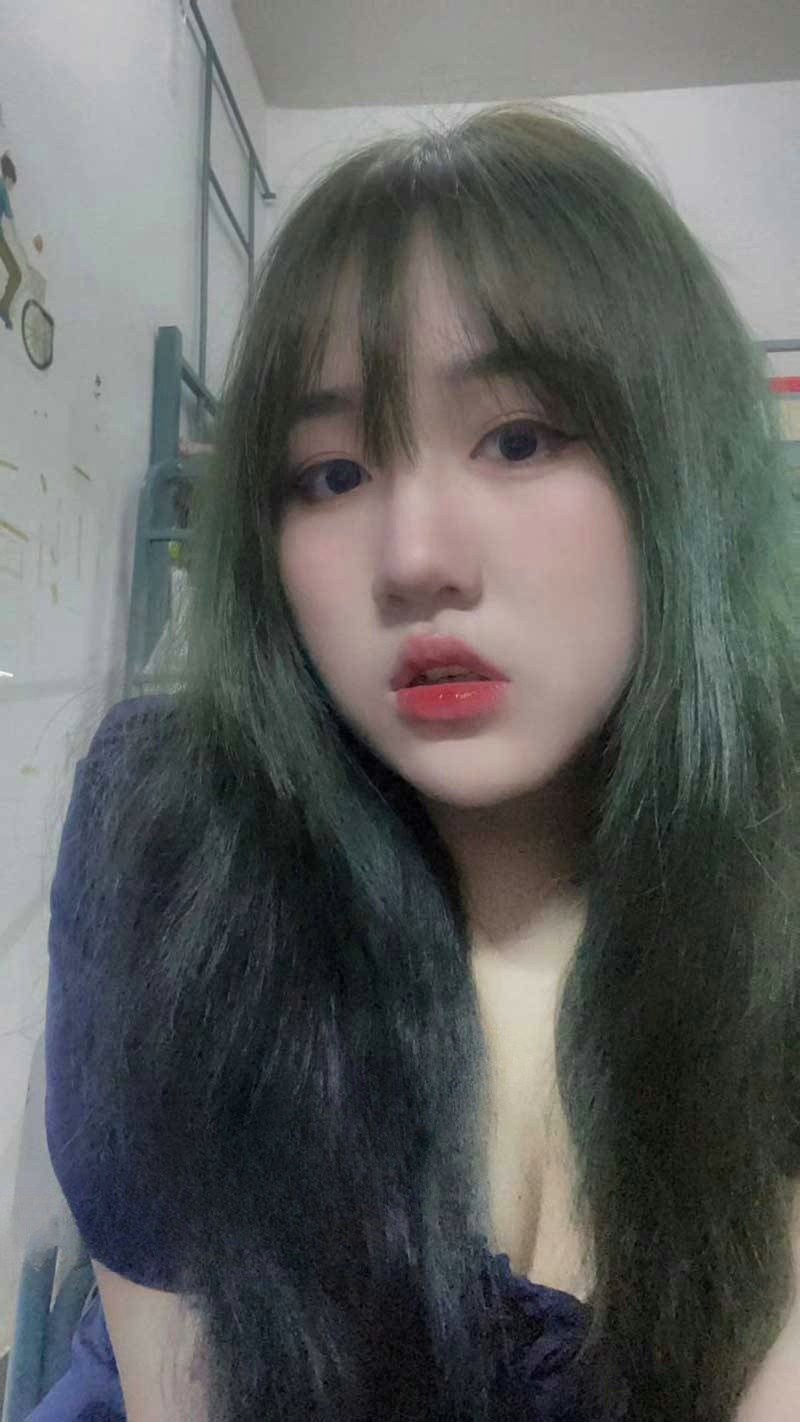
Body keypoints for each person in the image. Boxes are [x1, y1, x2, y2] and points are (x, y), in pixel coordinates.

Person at [32, 104, 798, 1422]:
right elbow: (181, 1389)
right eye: (330, 474)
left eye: (519, 439)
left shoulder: (774, 870)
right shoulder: (171, 837)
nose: (413, 557)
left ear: (681, 469)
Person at [0, 152, 26, 331]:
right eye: (12, 185)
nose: (11, 189)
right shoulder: (2, 188)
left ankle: (3, 308)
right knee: (16, 274)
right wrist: (24, 253)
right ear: (8, 178)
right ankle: (3, 308)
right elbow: (11, 223)